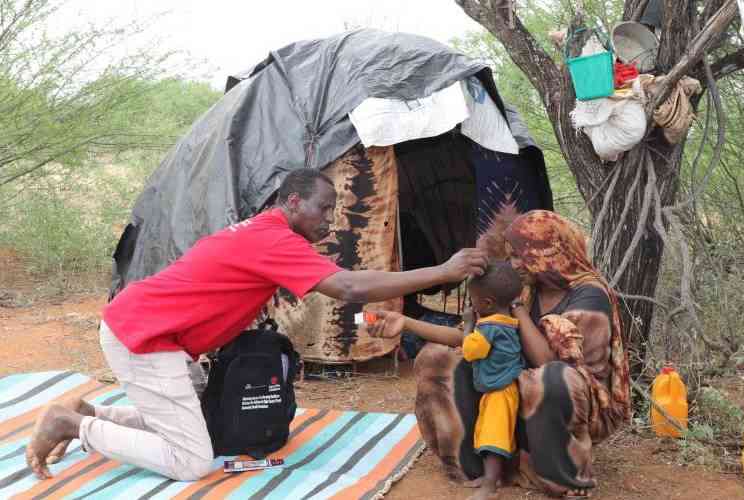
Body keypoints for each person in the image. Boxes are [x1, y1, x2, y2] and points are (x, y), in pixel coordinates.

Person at [25, 168, 488, 481]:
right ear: (292, 202)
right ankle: (73, 426)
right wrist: (443, 272)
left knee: (199, 426)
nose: (329, 219)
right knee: (192, 461)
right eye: (323, 209)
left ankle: (96, 416)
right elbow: (348, 287)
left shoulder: (264, 232)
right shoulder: (274, 240)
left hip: (156, 334)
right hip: (144, 339)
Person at [369, 210, 631, 498]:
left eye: (522, 256)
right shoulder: (529, 288)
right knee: (438, 359)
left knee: (551, 378)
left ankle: (559, 475)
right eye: (512, 256)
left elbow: (551, 364)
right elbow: (468, 338)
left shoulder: (588, 295)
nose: (515, 264)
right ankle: (483, 466)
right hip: (512, 392)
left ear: (548, 252)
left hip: (570, 402)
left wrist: (517, 308)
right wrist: (405, 323)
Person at [460, 262, 524, 500]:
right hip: (503, 387)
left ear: (486, 303)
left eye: (473, 300)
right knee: (491, 432)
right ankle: (492, 478)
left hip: (500, 391)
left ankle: (489, 487)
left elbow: (470, 351)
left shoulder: (489, 328)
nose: (471, 305)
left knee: (492, 435)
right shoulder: (508, 324)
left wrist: (468, 325)